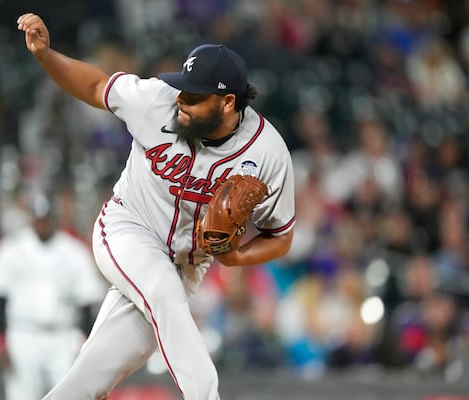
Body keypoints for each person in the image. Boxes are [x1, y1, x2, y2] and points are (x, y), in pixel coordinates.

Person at [16, 12, 295, 400]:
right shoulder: (154, 101)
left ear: (228, 102)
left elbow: (281, 237)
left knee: (89, 378)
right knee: (163, 293)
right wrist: (46, 55)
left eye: (195, 97)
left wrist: (237, 257)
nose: (181, 100)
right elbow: (96, 85)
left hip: (186, 266)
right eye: (183, 88)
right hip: (127, 229)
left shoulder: (267, 152)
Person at [0, 190, 108, 400]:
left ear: (54, 219)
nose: (42, 223)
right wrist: (2, 339)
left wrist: (86, 343)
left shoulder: (74, 251)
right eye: (39, 218)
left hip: (63, 336)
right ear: (32, 217)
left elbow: (88, 303)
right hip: (22, 334)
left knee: (70, 396)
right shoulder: (12, 248)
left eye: (46, 219)